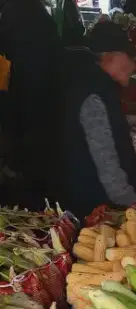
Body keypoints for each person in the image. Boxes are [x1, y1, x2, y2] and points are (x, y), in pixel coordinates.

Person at [55, 21, 136, 222]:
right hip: (99, 212)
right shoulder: (93, 95)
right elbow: (106, 163)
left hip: (95, 203)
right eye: (129, 57)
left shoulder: (91, 82)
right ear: (111, 56)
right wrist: (133, 207)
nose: (134, 65)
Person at [0, 0, 62, 206]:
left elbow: (4, 48)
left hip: (21, 85)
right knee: (39, 136)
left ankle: (22, 181)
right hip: (45, 88)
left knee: (22, 133)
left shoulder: (11, 10)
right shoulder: (41, 13)